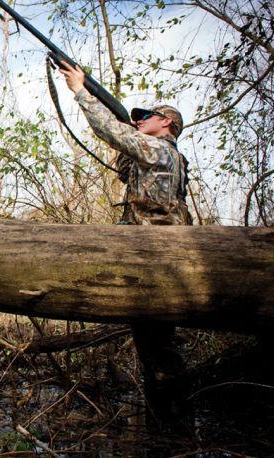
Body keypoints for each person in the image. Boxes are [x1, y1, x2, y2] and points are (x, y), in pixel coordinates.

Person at [57, 61, 191, 425]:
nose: (141, 119)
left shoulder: (161, 149)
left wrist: (82, 92)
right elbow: (124, 160)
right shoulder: (160, 156)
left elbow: (112, 134)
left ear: (167, 123)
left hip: (156, 261)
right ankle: (163, 427)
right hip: (148, 260)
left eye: (149, 115)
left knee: (160, 351)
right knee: (152, 348)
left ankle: (173, 428)